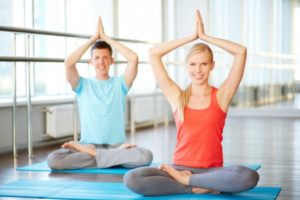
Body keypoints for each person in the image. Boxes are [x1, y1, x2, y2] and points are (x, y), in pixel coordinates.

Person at [124, 10, 259, 196]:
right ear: (187, 66)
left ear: (212, 65)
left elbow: (241, 52)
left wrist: (205, 37)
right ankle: (193, 186)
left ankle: (190, 183)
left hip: (212, 172)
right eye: (193, 64)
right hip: (177, 169)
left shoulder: (221, 96)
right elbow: (153, 54)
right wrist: (191, 37)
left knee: (249, 176)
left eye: (204, 64)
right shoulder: (177, 97)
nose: (198, 70)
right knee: (132, 178)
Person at [47, 17, 153, 170]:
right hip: (90, 145)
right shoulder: (82, 85)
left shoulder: (120, 84)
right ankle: (107, 157)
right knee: (53, 159)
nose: (101, 62)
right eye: (96, 58)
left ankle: (95, 155)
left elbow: (133, 58)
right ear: (90, 62)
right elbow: (69, 63)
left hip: (116, 146)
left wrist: (106, 38)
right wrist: (93, 39)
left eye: (105, 58)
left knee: (146, 156)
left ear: (112, 61)